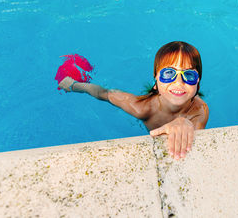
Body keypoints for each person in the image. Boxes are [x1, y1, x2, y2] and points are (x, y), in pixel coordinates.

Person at [58, 41, 209, 160]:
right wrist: (74, 85)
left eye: (189, 75)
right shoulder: (142, 108)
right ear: (156, 82)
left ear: (198, 82)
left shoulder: (198, 111)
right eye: (169, 73)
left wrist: (185, 123)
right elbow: (103, 93)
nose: (179, 82)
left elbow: (195, 133)